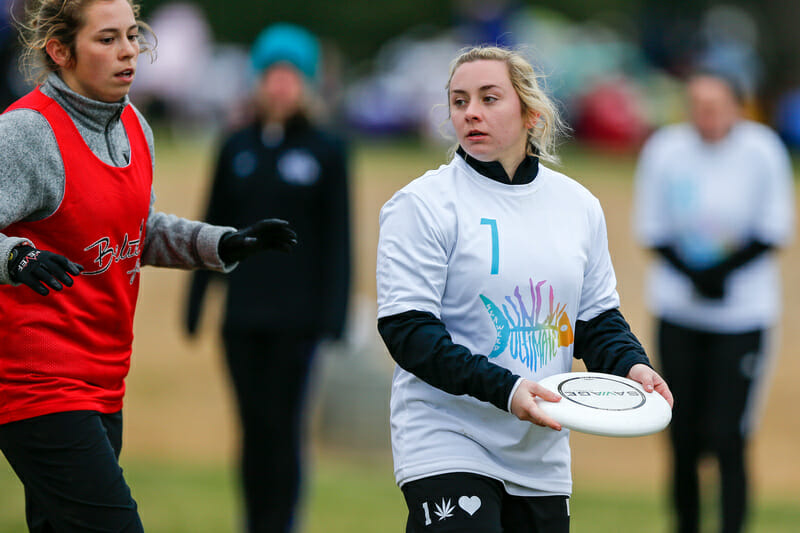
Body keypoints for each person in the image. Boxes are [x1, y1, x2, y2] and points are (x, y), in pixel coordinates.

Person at [0, 1, 297, 531]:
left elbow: (139, 231)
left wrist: (224, 243)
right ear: (60, 51)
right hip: (35, 381)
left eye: (133, 36)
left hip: (105, 375)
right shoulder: (26, 132)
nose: (129, 52)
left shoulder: (135, 125)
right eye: (107, 39)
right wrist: (16, 256)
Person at [376, 45, 673, 533]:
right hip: (448, 436)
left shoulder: (577, 206)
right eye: (459, 101)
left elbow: (595, 322)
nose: (471, 111)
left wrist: (632, 367)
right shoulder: (422, 205)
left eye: (489, 98)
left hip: (541, 452)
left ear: (531, 112)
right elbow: (410, 333)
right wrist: (508, 390)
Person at [184, 23, 351, 533]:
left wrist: (333, 317)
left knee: (283, 429)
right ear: (258, 80)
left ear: (306, 83)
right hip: (241, 317)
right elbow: (210, 225)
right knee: (253, 428)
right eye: (272, 74)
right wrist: (195, 304)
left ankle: (281, 522)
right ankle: (254, 521)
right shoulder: (235, 146)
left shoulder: (326, 150)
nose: (280, 85)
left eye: (291, 75)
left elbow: (339, 240)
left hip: (297, 321)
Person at [633, 71, 794, 533]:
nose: (706, 116)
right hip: (679, 312)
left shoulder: (762, 150)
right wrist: (693, 276)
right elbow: (653, 228)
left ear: (738, 107)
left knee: (729, 435)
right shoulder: (665, 150)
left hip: (743, 315)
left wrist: (722, 275)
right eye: (698, 105)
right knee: (682, 435)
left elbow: (772, 228)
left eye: (716, 106)